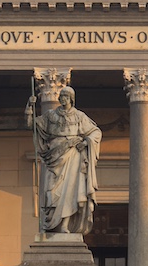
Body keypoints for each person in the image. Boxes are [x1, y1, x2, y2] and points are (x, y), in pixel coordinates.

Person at [29, 86, 102, 234]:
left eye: (66, 97)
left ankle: (64, 225)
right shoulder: (50, 115)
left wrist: (85, 142)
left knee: (69, 192)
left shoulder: (79, 116)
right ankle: (50, 225)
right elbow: (34, 126)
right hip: (53, 157)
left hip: (72, 157)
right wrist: (30, 108)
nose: (63, 99)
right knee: (51, 190)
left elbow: (96, 132)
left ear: (71, 99)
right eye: (61, 96)